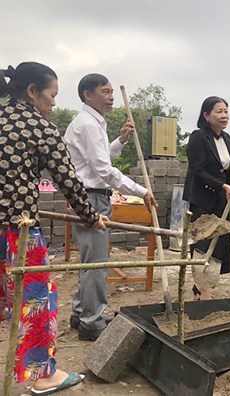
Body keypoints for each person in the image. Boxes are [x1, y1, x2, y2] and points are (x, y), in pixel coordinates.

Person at [0, 62, 106, 394]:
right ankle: (45, 376)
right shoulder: (39, 127)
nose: (54, 104)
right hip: (17, 232)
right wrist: (91, 217)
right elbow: (69, 181)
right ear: (32, 91)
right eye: (52, 95)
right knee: (36, 302)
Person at [64, 73, 157, 341]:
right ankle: (92, 322)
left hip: (91, 194)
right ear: (87, 95)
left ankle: (81, 312)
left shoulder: (92, 123)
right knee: (97, 262)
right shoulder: (88, 125)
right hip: (91, 197)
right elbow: (103, 170)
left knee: (90, 259)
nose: (111, 96)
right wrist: (141, 191)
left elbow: (100, 156)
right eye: (105, 91)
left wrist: (122, 140)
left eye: (112, 91)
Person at [183, 96, 230, 300]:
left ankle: (204, 286)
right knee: (203, 242)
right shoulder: (198, 137)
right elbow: (198, 171)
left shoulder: (226, 137)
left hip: (222, 199)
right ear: (206, 115)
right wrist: (222, 185)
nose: (224, 116)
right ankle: (203, 289)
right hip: (203, 199)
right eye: (218, 111)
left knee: (219, 243)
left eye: (226, 111)